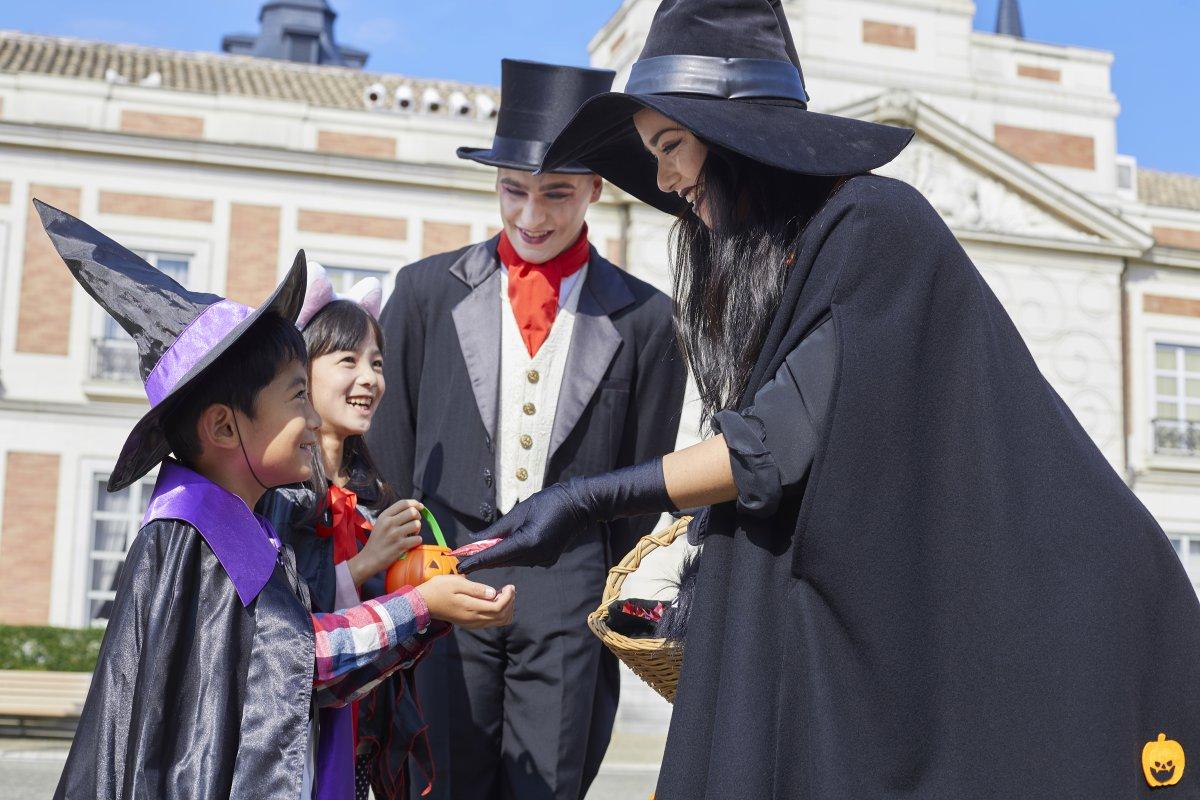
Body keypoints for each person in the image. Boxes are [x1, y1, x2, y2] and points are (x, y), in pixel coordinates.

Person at [456, 1, 1200, 798]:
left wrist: (589, 497)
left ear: (737, 134)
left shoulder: (873, 223)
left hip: (1067, 602)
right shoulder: (788, 252)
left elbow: (774, 448)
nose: (667, 182)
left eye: (671, 147)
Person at [36, 202, 516, 800]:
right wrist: (421, 606)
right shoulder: (199, 534)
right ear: (224, 428)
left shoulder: (231, 520)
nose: (314, 420)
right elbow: (299, 665)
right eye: (297, 397)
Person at [368, 59, 688, 800]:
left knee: (551, 786)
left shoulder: (648, 320)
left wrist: (584, 571)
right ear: (497, 183)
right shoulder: (420, 293)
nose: (532, 216)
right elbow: (392, 442)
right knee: (438, 781)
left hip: (570, 593)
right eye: (515, 191)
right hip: (445, 577)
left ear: (595, 191)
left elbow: (643, 477)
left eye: (557, 194)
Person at [260, 264, 483, 800]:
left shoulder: (375, 493)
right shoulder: (278, 492)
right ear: (302, 372)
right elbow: (279, 629)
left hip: (368, 736)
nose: (370, 378)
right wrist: (365, 563)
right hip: (299, 745)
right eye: (348, 361)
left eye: (377, 363)